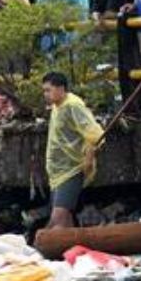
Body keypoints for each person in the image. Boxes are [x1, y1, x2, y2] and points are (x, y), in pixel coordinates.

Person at [42, 72, 104, 229]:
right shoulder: (57, 107)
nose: (46, 95)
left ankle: (42, 244)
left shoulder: (72, 106)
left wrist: (89, 158)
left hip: (72, 169)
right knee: (65, 218)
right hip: (58, 171)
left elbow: (95, 135)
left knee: (58, 216)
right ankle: (65, 249)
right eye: (45, 91)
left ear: (60, 88)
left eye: (48, 90)